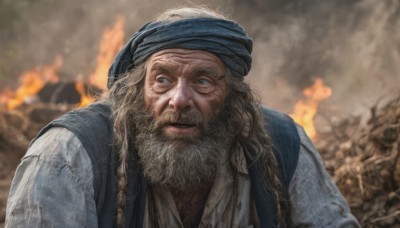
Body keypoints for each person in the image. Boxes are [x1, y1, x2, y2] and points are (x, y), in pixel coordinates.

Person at [5, 7, 360, 228]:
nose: (179, 99)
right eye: (162, 79)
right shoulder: (66, 158)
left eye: (203, 81)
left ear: (234, 98)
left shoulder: (281, 143)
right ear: (135, 90)